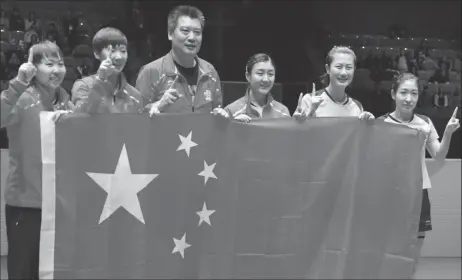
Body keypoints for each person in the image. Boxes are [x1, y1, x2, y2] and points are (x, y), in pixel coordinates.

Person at [0, 41, 73, 279]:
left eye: (60, 64)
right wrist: (18, 84)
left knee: (53, 271)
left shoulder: (65, 100)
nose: (56, 70)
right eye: (49, 64)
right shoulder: (22, 97)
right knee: (24, 272)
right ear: (33, 67)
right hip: (26, 204)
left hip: (58, 204)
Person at [377, 73, 460, 277]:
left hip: (418, 190)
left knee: (416, 243)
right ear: (393, 94)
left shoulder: (425, 122)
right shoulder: (381, 124)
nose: (409, 98)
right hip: (390, 192)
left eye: (413, 93)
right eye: (403, 92)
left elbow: (439, 156)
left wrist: (448, 132)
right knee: (389, 242)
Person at [135, 5, 228, 118]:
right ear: (170, 33)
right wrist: (158, 105)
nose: (192, 37)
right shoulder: (151, 71)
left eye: (197, 32)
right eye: (185, 31)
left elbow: (217, 111)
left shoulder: (210, 72)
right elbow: (136, 118)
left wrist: (220, 115)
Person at [72, 27, 143, 114]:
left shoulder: (135, 95)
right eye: (112, 51)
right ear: (97, 54)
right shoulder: (83, 86)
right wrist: (100, 82)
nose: (119, 57)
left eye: (123, 51)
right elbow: (78, 119)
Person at [294, 46, 375, 120]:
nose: (344, 73)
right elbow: (299, 133)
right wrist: (308, 116)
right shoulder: (309, 100)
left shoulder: (357, 107)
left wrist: (369, 124)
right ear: (327, 69)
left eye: (349, 68)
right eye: (338, 67)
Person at [225, 53, 290, 122]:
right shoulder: (231, 111)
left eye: (270, 74)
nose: (266, 79)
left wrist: (297, 123)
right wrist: (234, 124)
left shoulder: (283, 112)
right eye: (260, 73)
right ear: (248, 76)